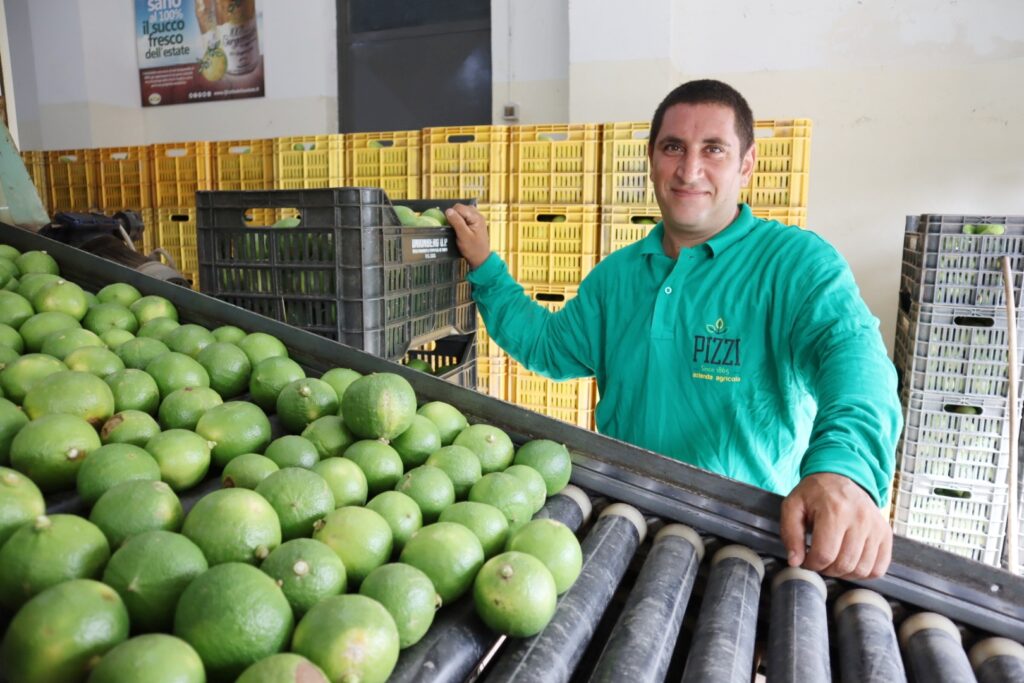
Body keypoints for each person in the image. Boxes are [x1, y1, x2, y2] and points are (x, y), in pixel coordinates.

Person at [446, 79, 902, 581]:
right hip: (626, 531)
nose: (689, 170)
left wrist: (844, 470)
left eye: (713, 149)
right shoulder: (618, 277)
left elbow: (854, 359)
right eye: (673, 148)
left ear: (746, 164)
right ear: (651, 159)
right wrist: (486, 267)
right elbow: (546, 347)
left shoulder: (794, 264)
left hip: (746, 550)